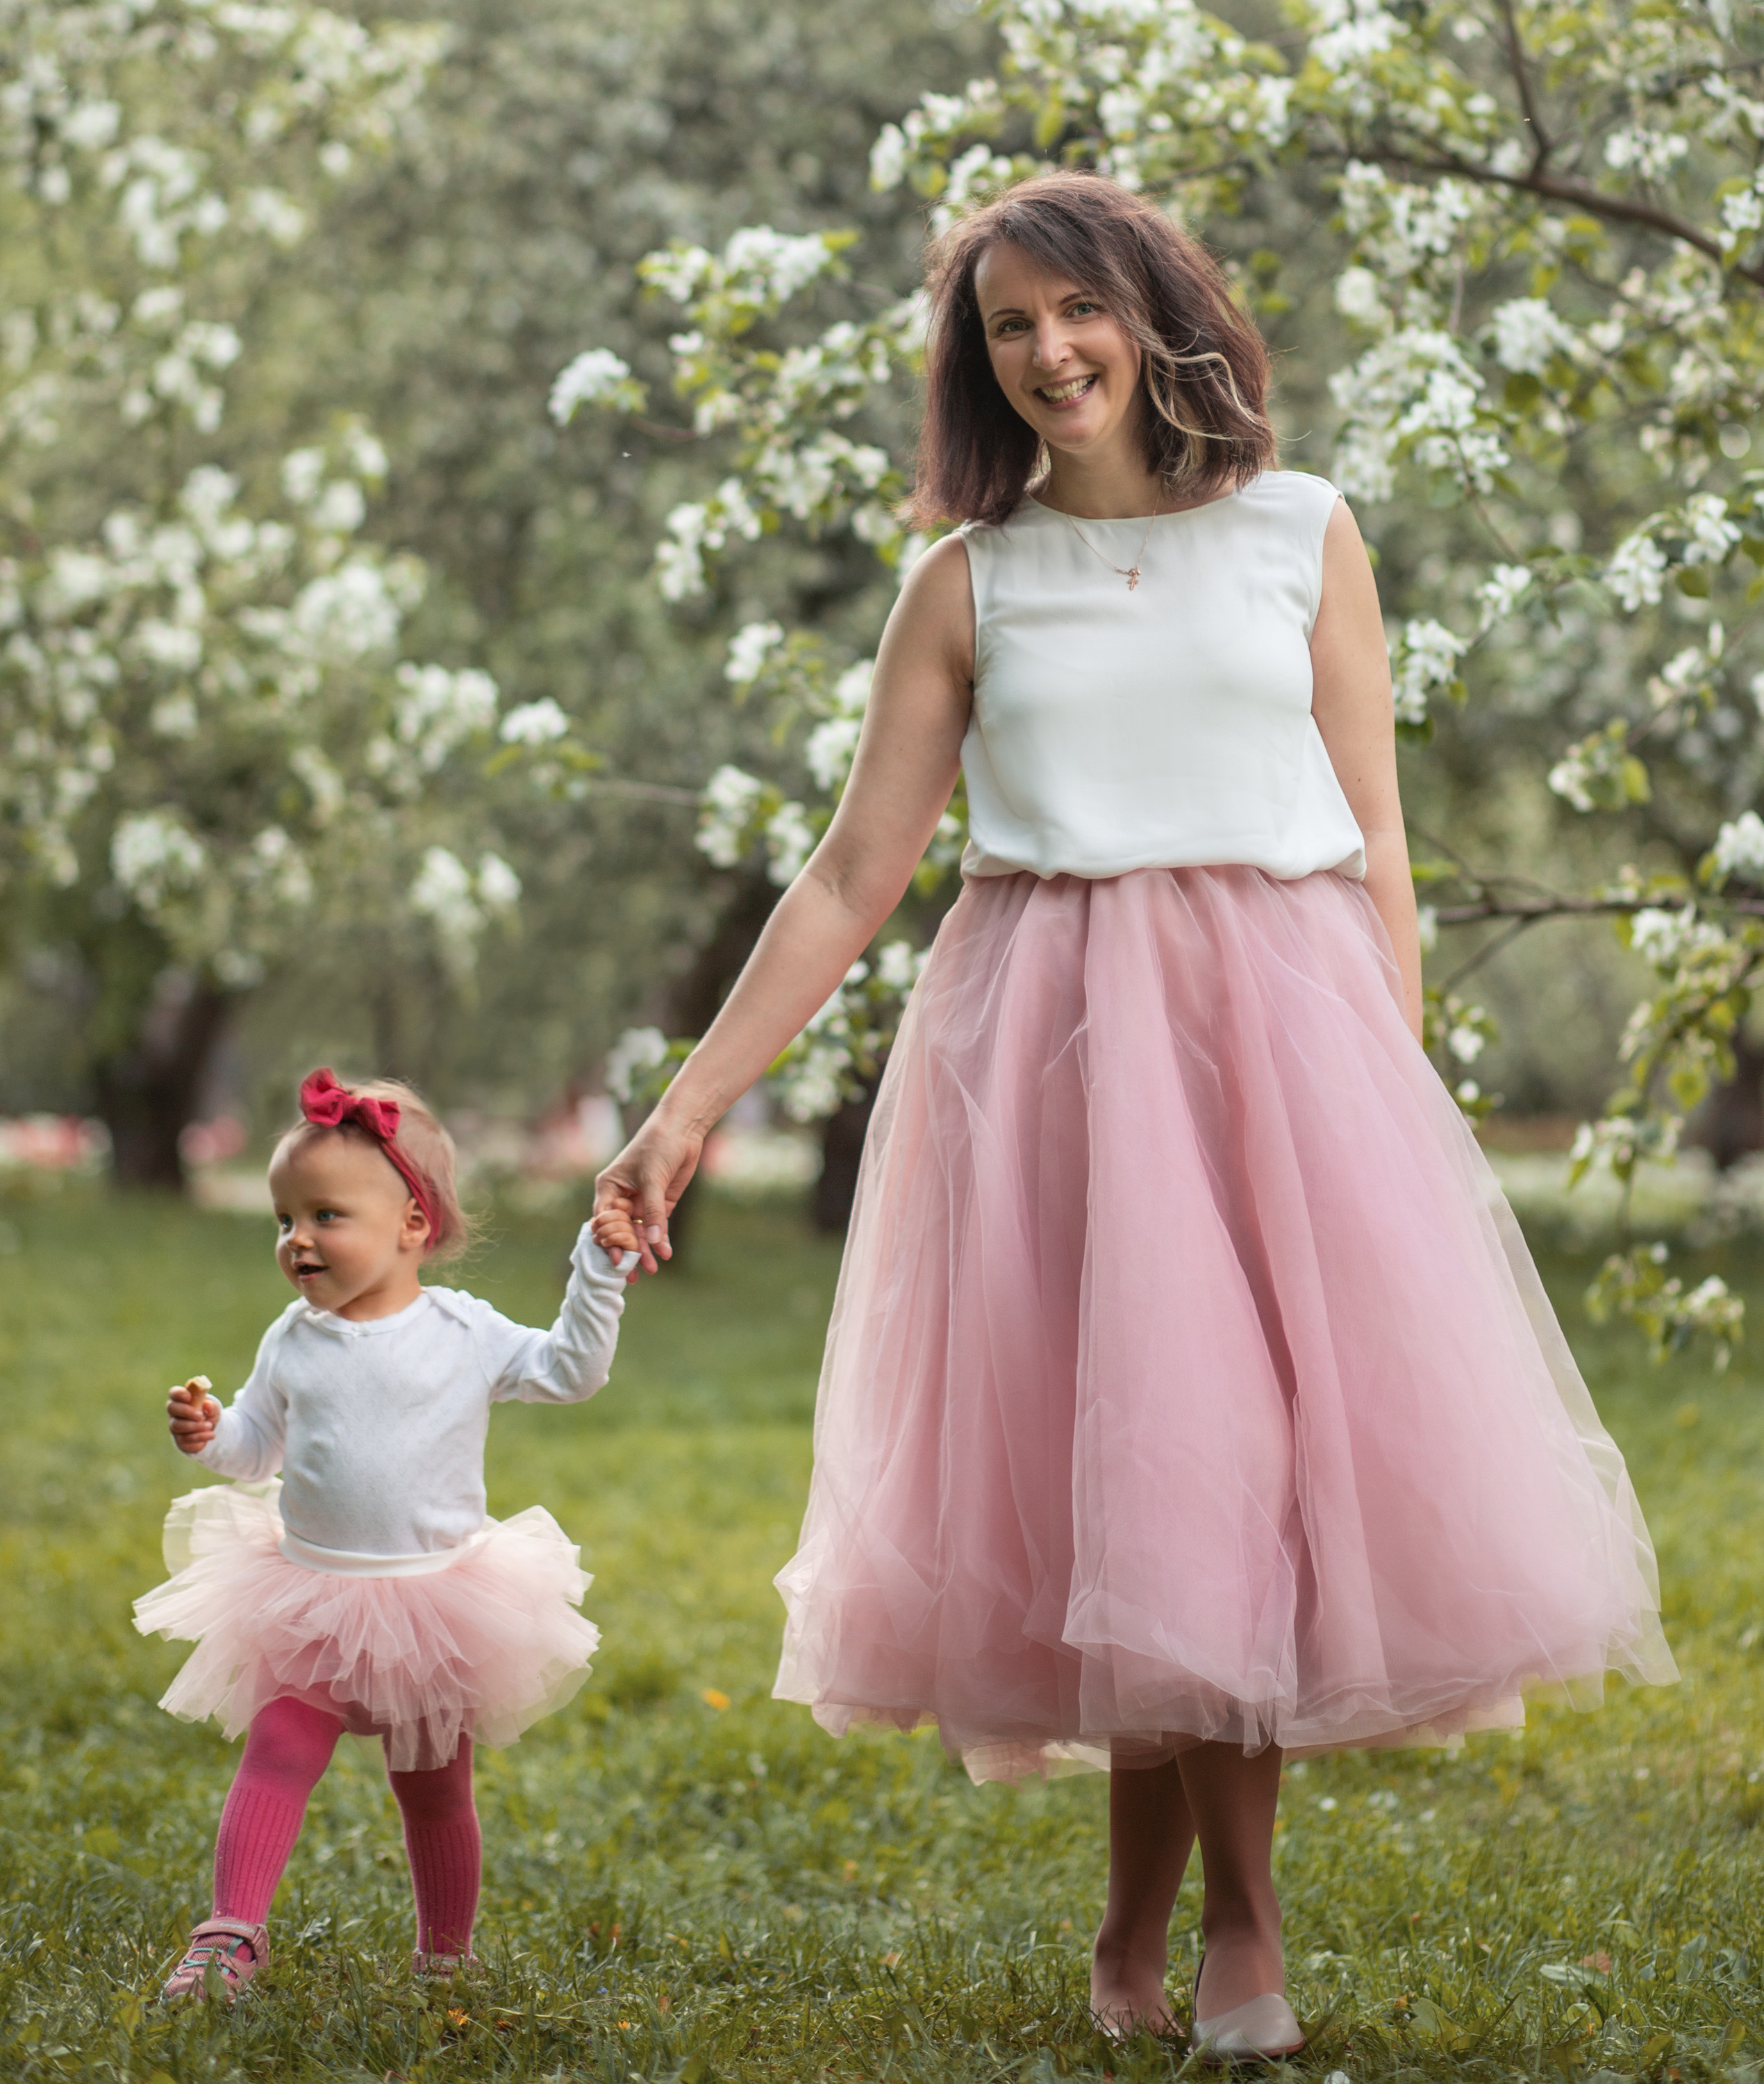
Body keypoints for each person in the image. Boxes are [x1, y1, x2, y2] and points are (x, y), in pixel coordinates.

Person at [592, 173, 1675, 2059]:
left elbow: (1379, 828)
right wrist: (685, 1110)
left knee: (1235, 1480)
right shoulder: (967, 584)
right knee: (1148, 1469)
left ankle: (1215, 1930)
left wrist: (1390, 1095)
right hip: (1059, 1049)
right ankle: (1167, 1933)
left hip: (1288, 1045)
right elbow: (854, 873)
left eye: (1070, 310)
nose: (1045, 352)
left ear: (1153, 309)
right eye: (1005, 327)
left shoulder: (1298, 533)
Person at [135, 1069, 635, 2003]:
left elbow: (570, 1371)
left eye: (327, 1216)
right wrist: (211, 1437)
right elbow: (256, 1448)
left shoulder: (464, 1333)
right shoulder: (293, 1339)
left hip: (436, 1603)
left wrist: (597, 1272)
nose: (298, 1241)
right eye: (283, 1220)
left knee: (435, 1787)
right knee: (279, 1750)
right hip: (311, 1596)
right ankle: (231, 1934)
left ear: (414, 1225)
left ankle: (446, 1953)